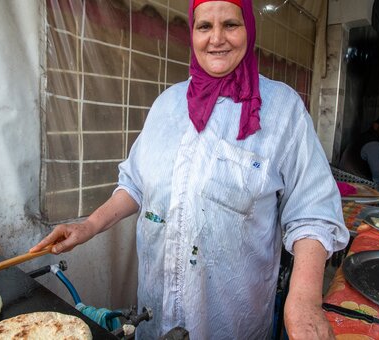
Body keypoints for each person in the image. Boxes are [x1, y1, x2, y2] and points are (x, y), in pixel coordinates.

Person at [31, 0, 348, 338]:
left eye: (230, 24)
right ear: (193, 33)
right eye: (204, 27)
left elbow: (312, 214)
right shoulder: (168, 104)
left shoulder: (282, 110)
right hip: (155, 310)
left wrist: (303, 300)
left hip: (230, 321)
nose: (217, 39)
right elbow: (135, 184)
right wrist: (89, 226)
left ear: (249, 29)